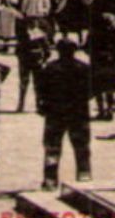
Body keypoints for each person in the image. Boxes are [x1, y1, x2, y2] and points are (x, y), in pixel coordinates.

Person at [37, 38, 94, 189]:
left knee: (52, 147)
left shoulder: (50, 68)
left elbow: (41, 91)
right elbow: (91, 92)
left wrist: (43, 106)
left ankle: (50, 179)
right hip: (78, 112)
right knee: (81, 145)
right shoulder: (83, 68)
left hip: (55, 113)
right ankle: (84, 175)